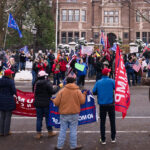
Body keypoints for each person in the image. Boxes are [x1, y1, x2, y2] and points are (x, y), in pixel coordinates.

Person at [52, 75, 87, 150]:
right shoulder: (77, 91)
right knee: (73, 130)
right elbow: (82, 101)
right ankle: (73, 146)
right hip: (74, 113)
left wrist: (53, 100)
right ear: (74, 82)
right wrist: (84, 94)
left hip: (64, 113)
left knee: (62, 130)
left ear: (66, 82)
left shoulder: (62, 91)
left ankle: (59, 146)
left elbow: (57, 103)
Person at [92, 68, 116, 144]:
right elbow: (117, 88)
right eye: (109, 72)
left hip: (102, 105)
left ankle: (103, 139)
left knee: (102, 122)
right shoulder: (112, 81)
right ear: (107, 73)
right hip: (111, 104)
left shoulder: (98, 82)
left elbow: (94, 91)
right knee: (112, 121)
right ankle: (113, 138)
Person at [34, 70, 59, 139]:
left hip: (38, 103)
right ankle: (50, 132)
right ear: (44, 76)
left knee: (39, 118)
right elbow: (52, 91)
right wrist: (58, 87)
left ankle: (38, 133)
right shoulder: (47, 83)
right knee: (48, 118)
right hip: (46, 103)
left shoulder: (36, 83)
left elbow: (34, 92)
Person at [0, 69, 17, 136]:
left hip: (1, 99)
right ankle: (6, 131)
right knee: (8, 116)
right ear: (9, 74)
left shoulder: (0, 80)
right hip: (8, 100)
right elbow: (14, 91)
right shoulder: (10, 81)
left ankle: (1, 132)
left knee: (2, 116)